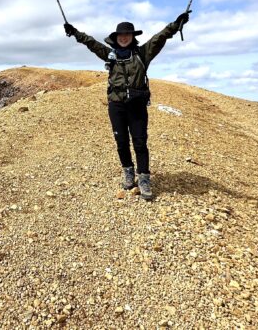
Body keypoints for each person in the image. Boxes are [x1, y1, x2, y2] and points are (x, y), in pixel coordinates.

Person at [63, 11, 190, 201]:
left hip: (137, 105)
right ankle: (128, 172)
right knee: (121, 142)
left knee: (140, 142)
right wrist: (74, 32)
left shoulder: (142, 53)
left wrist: (176, 24)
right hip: (116, 105)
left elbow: (160, 38)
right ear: (116, 38)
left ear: (132, 37)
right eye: (121, 35)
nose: (124, 38)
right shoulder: (109, 54)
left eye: (127, 35)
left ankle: (144, 178)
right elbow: (91, 43)